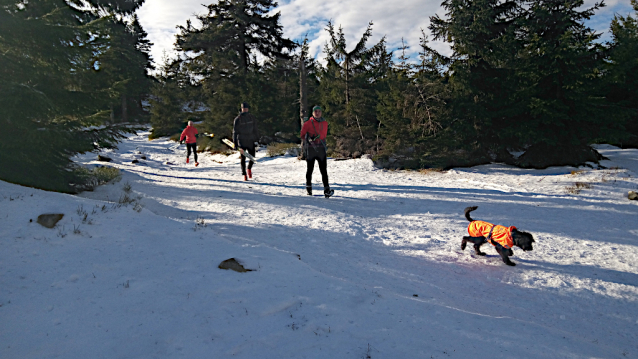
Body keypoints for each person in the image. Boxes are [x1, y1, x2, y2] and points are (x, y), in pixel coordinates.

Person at [300, 106, 333, 198]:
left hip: (321, 149)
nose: (317, 113)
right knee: (310, 169)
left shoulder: (325, 123)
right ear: (312, 113)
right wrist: (308, 138)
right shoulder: (307, 124)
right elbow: (302, 135)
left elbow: (326, 134)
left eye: (319, 111)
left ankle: (327, 190)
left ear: (321, 113)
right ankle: (308, 188)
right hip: (311, 149)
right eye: (315, 111)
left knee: (324, 170)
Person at [233, 102, 259, 181]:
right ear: (241, 109)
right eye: (243, 108)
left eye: (246, 108)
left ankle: (249, 169)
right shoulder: (238, 119)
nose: (245, 110)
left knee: (252, 157)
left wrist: (257, 139)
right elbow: (234, 132)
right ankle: (244, 174)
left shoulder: (251, 117)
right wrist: (235, 143)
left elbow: (255, 129)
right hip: (242, 140)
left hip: (250, 139)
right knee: (243, 158)